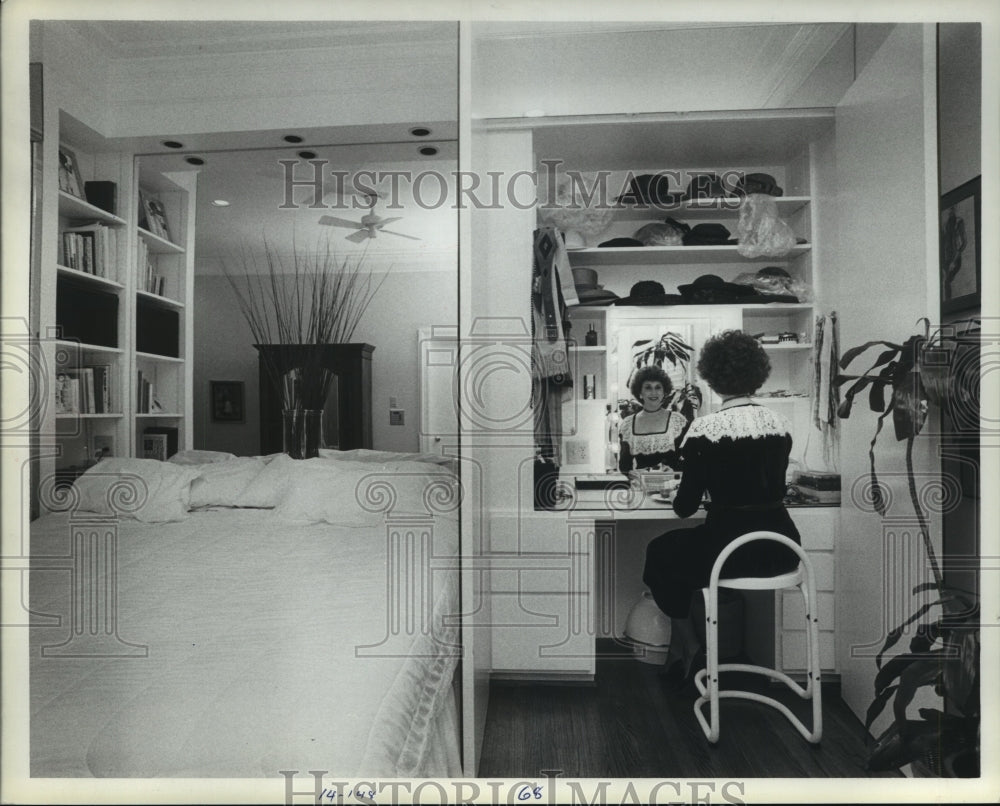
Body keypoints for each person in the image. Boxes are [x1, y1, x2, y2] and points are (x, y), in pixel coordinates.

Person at [642, 330, 802, 679]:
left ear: (712, 377)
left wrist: (682, 491)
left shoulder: (706, 429)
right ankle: (684, 649)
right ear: (757, 376)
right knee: (676, 555)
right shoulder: (781, 425)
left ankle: (689, 644)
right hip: (782, 548)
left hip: (729, 552)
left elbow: (684, 508)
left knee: (660, 552)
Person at [617, 365, 685, 475]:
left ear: (664, 392)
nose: (654, 392)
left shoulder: (677, 421)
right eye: (648, 388)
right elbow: (624, 466)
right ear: (640, 393)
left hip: (673, 488)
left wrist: (674, 470)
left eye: (658, 387)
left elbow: (690, 460)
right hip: (642, 488)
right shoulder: (628, 425)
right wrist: (634, 473)